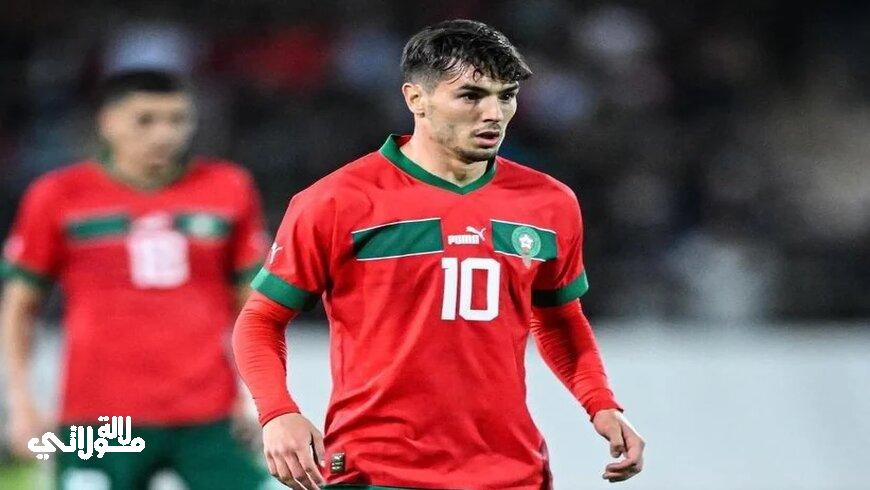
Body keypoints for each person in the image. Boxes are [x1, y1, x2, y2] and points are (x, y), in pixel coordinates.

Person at [233, 19, 645, 490]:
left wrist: (600, 402)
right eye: (471, 96)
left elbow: (559, 318)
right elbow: (260, 319)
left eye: (506, 96)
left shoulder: (549, 203)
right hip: (379, 471)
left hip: (510, 472)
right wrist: (277, 412)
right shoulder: (336, 201)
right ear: (416, 99)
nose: (493, 113)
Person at [1, 70, 276, 489]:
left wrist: (262, 398)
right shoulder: (58, 194)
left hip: (209, 412)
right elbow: (20, 306)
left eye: (177, 120)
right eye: (145, 120)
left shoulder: (229, 187)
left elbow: (254, 304)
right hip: (99, 418)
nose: (164, 134)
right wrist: (21, 402)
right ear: (107, 122)